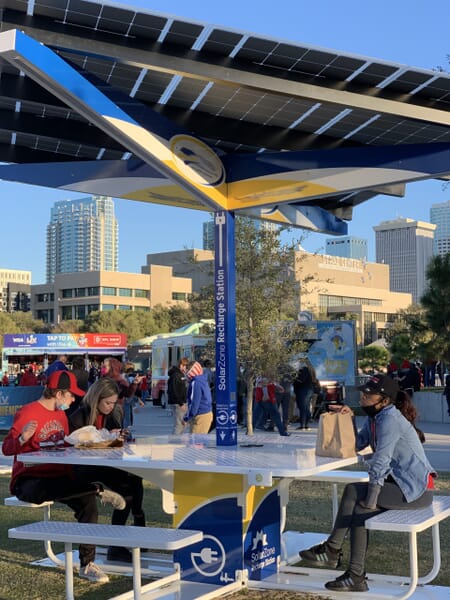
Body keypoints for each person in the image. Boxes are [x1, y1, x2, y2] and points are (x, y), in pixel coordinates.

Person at [299, 373, 436, 593]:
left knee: (360, 502)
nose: (363, 396)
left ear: (384, 400)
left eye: (369, 394)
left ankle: (341, 561)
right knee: (354, 495)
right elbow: (358, 445)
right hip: (401, 486)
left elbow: (381, 459)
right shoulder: (376, 418)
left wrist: (372, 497)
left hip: (416, 490)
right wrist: (349, 419)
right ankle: (344, 564)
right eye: (363, 392)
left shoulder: (390, 420)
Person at [1, 370, 126, 584]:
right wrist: (22, 438)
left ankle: (87, 564)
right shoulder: (28, 411)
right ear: (58, 394)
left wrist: (99, 439)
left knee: (88, 505)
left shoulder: (60, 415)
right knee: (57, 487)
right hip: (29, 480)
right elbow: (7, 448)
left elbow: (65, 446)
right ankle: (97, 489)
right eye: (70, 395)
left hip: (58, 477)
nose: (73, 399)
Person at [69, 378, 146, 563]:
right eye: (108, 402)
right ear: (97, 398)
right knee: (126, 490)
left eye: (113, 402)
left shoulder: (112, 414)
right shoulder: (80, 416)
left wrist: (119, 436)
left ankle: (136, 525)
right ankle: (118, 544)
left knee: (134, 480)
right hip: (84, 468)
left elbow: (113, 441)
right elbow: (74, 448)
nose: (111, 406)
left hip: (105, 464)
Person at [101, 357, 142, 429]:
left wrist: (134, 383)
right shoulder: (103, 379)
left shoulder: (119, 381)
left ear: (113, 367)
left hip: (113, 412)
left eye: (105, 366)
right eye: (103, 366)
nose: (103, 368)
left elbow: (128, 393)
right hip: (102, 411)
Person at [183, 361, 213, 434]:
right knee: (200, 442)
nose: (185, 372)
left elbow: (194, 403)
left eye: (187, 369)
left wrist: (187, 417)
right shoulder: (202, 380)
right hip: (205, 413)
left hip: (200, 415)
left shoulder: (195, 383)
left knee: (195, 443)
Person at [293, 359, 317, 430]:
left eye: (299, 361)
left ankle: (303, 424)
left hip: (303, 390)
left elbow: (300, 380)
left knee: (303, 407)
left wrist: (294, 379)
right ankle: (306, 424)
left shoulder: (303, 369)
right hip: (309, 389)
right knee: (305, 406)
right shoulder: (311, 369)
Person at [167, 357, 189, 434]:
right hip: (178, 403)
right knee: (179, 424)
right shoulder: (176, 375)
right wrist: (181, 403)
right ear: (181, 365)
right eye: (185, 366)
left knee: (183, 424)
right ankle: (175, 440)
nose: (186, 368)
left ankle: (178, 439)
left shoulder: (181, 375)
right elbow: (174, 390)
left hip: (181, 402)